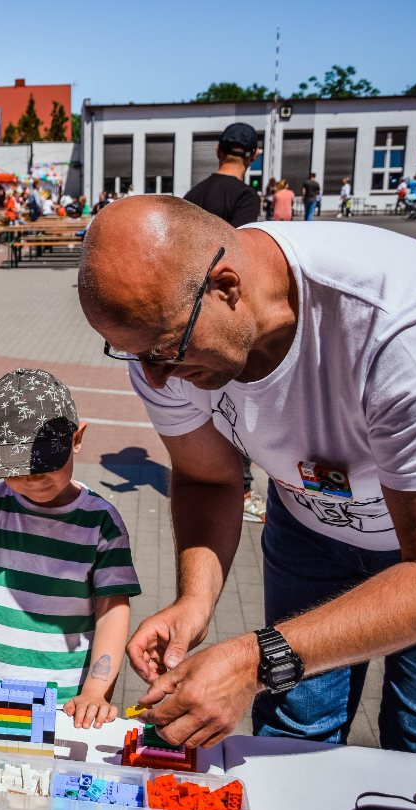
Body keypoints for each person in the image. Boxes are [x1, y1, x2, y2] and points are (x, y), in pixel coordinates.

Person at [78, 195, 416, 757]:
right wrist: (196, 600)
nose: (156, 380)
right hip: (308, 529)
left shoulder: (409, 327)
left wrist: (255, 661)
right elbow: (208, 478)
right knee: (293, 727)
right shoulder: (165, 340)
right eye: (132, 355)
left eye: (164, 351)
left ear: (227, 288)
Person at [0, 369, 139, 728]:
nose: (32, 479)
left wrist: (95, 691)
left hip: (67, 699)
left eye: (44, 465)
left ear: (77, 439)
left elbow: (112, 612)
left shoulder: (102, 523)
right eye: (15, 469)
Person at [183, 122, 266, 523]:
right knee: (238, 405)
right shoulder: (246, 197)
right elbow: (243, 256)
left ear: (218, 150)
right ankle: (242, 491)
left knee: (201, 403)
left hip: (188, 317)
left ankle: (205, 477)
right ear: (254, 156)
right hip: (226, 316)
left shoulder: (193, 197)